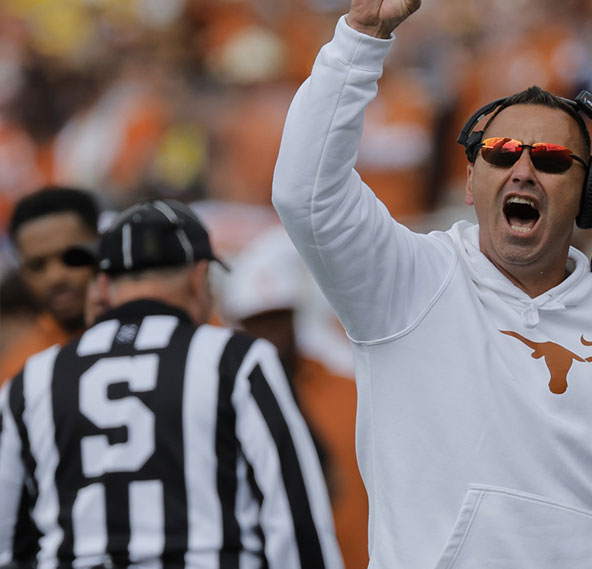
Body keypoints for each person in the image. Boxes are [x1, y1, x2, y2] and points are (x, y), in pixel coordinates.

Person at [271, 0, 592, 569]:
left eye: (552, 160)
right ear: (474, 178)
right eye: (504, 152)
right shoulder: (406, 283)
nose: (524, 170)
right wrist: (362, 38)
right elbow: (303, 192)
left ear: (589, 195)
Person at [0, 199, 342, 568]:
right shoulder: (237, 361)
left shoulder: (30, 379)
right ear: (199, 278)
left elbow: (7, 538)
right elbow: (294, 519)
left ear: (104, 285)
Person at [219, 226, 368, 569]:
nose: (270, 333)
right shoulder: (225, 403)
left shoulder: (351, 390)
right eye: (256, 321)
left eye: (278, 317)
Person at [2, 187, 101, 382]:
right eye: (37, 265)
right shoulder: (17, 371)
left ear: (101, 245)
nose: (56, 277)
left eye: (70, 257)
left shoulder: (158, 332)